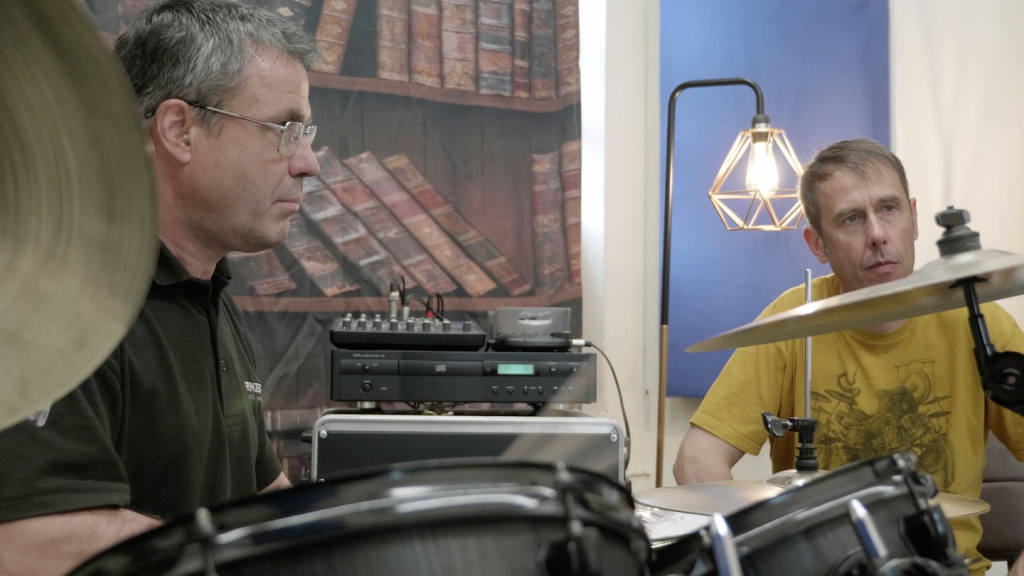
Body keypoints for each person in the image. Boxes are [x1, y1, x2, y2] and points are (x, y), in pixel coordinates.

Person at [0, 1, 319, 574]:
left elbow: (260, 493)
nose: (309, 162)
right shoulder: (57, 302)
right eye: (286, 130)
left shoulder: (210, 295)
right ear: (179, 130)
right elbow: (27, 540)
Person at [672, 139, 1024, 574]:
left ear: (914, 218)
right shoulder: (789, 324)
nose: (877, 234)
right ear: (817, 244)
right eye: (852, 218)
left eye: (889, 209)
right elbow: (695, 460)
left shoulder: (979, 321)